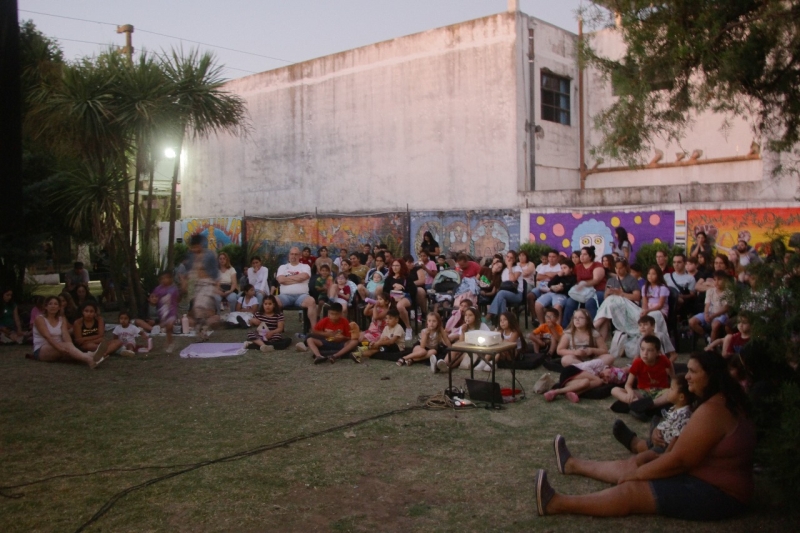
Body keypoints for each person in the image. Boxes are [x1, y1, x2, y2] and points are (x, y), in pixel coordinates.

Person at [535, 351, 755, 521]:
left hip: (719, 494)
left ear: (711, 375)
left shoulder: (715, 410)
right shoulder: (717, 401)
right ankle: (573, 465)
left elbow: (679, 461)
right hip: (701, 476)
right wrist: (646, 463)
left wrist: (638, 476)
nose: (686, 376)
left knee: (633, 489)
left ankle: (556, 503)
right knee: (641, 462)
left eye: (693, 371)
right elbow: (685, 449)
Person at [613, 374, 695, 454]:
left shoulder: (684, 414)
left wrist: (666, 456)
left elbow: (676, 438)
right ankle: (647, 438)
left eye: (671, 389)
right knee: (655, 421)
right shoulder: (676, 407)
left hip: (665, 446)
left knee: (645, 457)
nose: (668, 391)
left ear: (681, 397)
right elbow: (668, 421)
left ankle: (637, 446)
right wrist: (658, 429)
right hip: (663, 437)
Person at [28, 296, 107, 368]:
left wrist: (70, 346)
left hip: (62, 347)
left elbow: (65, 335)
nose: (53, 306)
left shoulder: (62, 319)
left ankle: (91, 356)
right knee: (70, 349)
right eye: (50, 304)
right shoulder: (40, 319)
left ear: (59, 307)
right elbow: (47, 337)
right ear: (46, 306)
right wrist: (60, 348)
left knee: (73, 353)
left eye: (56, 304)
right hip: (43, 349)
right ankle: (90, 360)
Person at [610, 335, 675, 412]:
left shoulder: (663, 359)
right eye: (642, 349)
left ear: (658, 353)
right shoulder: (637, 363)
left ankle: (648, 405)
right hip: (643, 393)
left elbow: (670, 365)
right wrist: (630, 391)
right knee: (614, 390)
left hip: (661, 392)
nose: (645, 353)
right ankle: (636, 403)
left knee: (673, 393)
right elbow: (628, 384)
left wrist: (673, 379)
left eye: (650, 350)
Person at [592, 258, 643, 342]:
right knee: (607, 311)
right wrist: (607, 293)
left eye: (620, 268)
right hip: (613, 306)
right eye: (616, 268)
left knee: (610, 302)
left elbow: (637, 297)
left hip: (627, 306)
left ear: (625, 267)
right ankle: (601, 343)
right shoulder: (611, 280)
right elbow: (606, 299)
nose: (618, 271)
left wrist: (621, 294)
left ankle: (594, 326)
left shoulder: (631, 279)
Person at [184, 235, 221, 340]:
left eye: (196, 247)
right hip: (197, 284)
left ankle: (202, 328)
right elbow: (188, 271)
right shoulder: (191, 256)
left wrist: (217, 286)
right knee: (197, 309)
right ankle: (203, 330)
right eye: (193, 247)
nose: (194, 249)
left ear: (200, 245)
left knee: (200, 305)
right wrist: (185, 283)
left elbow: (216, 272)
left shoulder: (209, 255)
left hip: (208, 283)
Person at [544, 358, 628, 403]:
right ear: (609, 367)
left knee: (586, 382)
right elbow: (585, 366)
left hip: (571, 382)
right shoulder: (600, 364)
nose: (606, 376)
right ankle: (563, 391)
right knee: (598, 381)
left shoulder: (596, 380)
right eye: (609, 373)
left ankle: (558, 392)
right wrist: (595, 376)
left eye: (608, 378)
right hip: (572, 370)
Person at [561, 246, 607, 327]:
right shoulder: (578, 267)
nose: (581, 256)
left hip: (598, 290)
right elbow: (569, 275)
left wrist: (584, 283)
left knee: (590, 303)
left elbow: (596, 280)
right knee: (569, 302)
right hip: (582, 292)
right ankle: (566, 328)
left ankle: (592, 328)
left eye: (585, 254)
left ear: (591, 256)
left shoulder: (597, 265)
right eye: (581, 254)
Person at [437, 306, 490, 371]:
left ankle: (448, 367)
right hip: (465, 348)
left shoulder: (482, 326)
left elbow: (489, 337)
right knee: (454, 351)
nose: (467, 317)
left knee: (460, 356)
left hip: (476, 350)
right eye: (466, 315)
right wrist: (462, 332)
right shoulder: (463, 327)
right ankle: (444, 363)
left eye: (470, 315)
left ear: (476, 317)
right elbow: (461, 342)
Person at [276, 247, 318, 327]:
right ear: (289, 255)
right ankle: (278, 329)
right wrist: (298, 279)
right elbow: (281, 280)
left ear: (300, 256)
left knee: (311, 301)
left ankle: (314, 329)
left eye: (296, 254)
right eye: (292, 254)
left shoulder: (305, 266)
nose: (293, 256)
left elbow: (304, 276)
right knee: (274, 301)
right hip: (284, 296)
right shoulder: (282, 267)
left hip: (302, 296)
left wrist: (287, 279)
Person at [689, 271, 731, 344]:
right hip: (710, 313)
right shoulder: (710, 291)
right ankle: (706, 336)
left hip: (721, 315)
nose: (717, 282)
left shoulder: (728, 293)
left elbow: (725, 308)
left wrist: (713, 316)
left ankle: (712, 345)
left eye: (719, 280)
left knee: (715, 324)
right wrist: (706, 314)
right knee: (692, 321)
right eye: (715, 280)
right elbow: (707, 304)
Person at [534, 259, 576, 325]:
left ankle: (557, 327)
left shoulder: (573, 278)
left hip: (562, 295)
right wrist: (557, 277)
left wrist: (562, 288)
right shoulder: (559, 276)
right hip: (552, 293)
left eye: (565, 268)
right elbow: (549, 284)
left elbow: (571, 288)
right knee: (538, 304)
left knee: (557, 307)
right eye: (561, 268)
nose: (562, 270)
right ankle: (542, 324)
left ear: (571, 269)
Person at [382, 259, 417, 341]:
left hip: (405, 297)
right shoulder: (389, 279)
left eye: (397, 265)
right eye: (393, 265)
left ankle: (408, 328)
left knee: (400, 306)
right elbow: (385, 291)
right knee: (386, 304)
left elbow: (413, 291)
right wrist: (393, 288)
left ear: (401, 266)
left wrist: (402, 288)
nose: (395, 267)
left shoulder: (407, 278)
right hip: (392, 297)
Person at [486, 250, 524, 322]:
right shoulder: (503, 270)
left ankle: (489, 314)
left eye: (511, 258)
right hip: (505, 294)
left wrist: (510, 267)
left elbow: (512, 279)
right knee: (502, 299)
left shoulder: (517, 268)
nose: (509, 259)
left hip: (517, 294)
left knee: (501, 293)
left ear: (514, 259)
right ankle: (504, 323)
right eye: (507, 257)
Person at [151, 271, 179, 353]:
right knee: (167, 329)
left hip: (172, 312)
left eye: (166, 278)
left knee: (169, 326)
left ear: (170, 279)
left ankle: (170, 343)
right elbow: (154, 298)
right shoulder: (158, 289)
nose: (164, 280)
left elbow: (177, 299)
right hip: (162, 312)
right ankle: (170, 342)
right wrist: (153, 301)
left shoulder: (173, 289)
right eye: (162, 278)